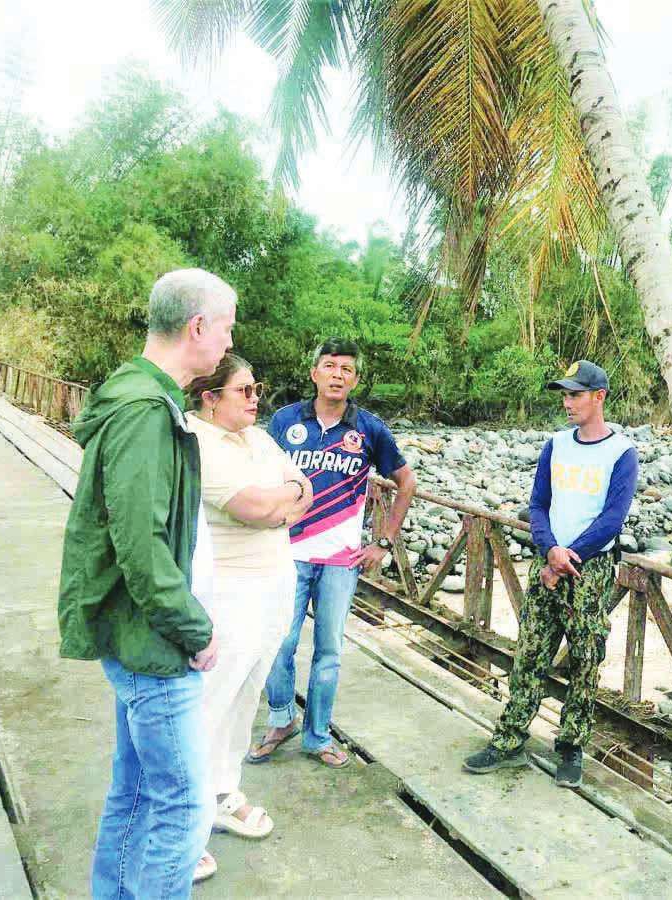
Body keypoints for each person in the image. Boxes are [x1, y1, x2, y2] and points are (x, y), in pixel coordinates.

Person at [57, 268, 236, 899]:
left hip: (138, 636)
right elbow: (140, 544)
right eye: (226, 326)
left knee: (135, 791)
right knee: (184, 805)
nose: (228, 340)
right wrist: (194, 626)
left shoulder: (142, 396)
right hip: (154, 644)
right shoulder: (143, 411)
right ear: (196, 327)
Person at [464, 360, 639, 789]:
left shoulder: (622, 453)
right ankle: (509, 739)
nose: (567, 402)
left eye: (575, 394)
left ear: (598, 397)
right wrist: (549, 550)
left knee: (584, 658)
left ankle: (570, 745)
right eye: (564, 394)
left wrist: (568, 556)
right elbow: (538, 504)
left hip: (589, 568)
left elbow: (612, 519)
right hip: (548, 562)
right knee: (531, 652)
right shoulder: (556, 445)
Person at [249, 337, 417, 769]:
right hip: (286, 554)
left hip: (341, 560)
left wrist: (383, 542)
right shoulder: (286, 422)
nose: (337, 374)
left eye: (346, 368)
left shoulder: (370, 430)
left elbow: (405, 482)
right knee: (277, 642)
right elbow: (259, 477)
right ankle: (281, 717)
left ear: (355, 379)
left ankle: (318, 735)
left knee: (329, 650)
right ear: (314, 374)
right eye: (329, 365)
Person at [184, 353, 313, 882]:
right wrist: (279, 503)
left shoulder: (258, 438)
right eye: (244, 390)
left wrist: (280, 500)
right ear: (210, 397)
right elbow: (258, 507)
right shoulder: (197, 441)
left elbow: (304, 488)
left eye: (257, 388)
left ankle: (221, 791)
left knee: (245, 698)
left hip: (272, 587)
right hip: (227, 593)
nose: (256, 398)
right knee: (208, 705)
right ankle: (184, 825)